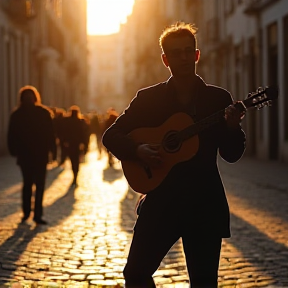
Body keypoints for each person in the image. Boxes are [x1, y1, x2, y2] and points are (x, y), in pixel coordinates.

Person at [102, 21, 246, 288]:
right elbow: (111, 135)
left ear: (196, 54)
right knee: (135, 274)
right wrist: (138, 150)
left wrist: (232, 128)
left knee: (203, 283)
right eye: (176, 52)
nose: (183, 57)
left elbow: (232, 154)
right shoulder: (149, 99)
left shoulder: (217, 99)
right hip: (161, 201)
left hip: (204, 204)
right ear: (165, 59)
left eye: (188, 51)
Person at [7, 85, 56, 225]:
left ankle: (26, 212)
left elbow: (11, 135)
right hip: (40, 155)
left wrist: (13, 151)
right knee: (39, 185)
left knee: (27, 183)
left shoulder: (17, 114)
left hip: (25, 156)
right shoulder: (43, 113)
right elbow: (51, 135)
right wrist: (53, 151)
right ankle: (37, 214)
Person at [63, 105, 88, 185]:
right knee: (77, 160)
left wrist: (65, 141)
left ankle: (74, 173)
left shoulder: (67, 121)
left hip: (70, 143)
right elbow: (84, 134)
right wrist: (85, 144)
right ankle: (76, 175)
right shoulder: (80, 121)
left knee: (72, 159)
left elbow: (65, 132)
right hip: (77, 144)